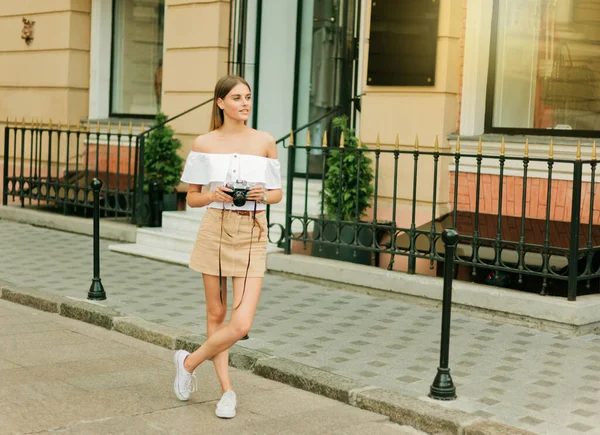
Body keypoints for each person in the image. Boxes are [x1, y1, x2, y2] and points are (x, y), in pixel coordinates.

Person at [173, 75, 282, 419]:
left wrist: (262, 194)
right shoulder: (203, 143)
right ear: (220, 103)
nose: (245, 103)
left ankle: (187, 362)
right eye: (237, 98)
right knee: (217, 315)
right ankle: (226, 392)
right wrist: (212, 194)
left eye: (248, 97)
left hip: (252, 231)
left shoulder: (265, 141)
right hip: (215, 227)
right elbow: (190, 197)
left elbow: (277, 193)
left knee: (242, 323)